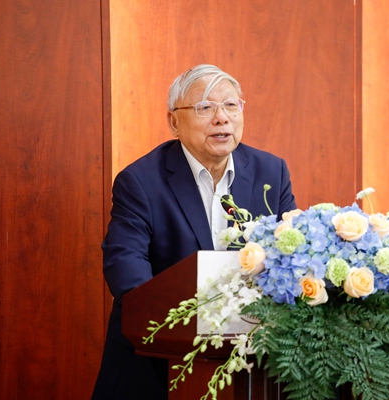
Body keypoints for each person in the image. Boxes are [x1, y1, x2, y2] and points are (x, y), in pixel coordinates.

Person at [92, 64, 297, 399]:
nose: (221, 118)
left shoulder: (270, 172)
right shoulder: (141, 181)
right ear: (174, 122)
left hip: (252, 363)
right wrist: (185, 322)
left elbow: (290, 253)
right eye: (205, 107)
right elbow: (125, 268)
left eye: (231, 105)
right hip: (158, 363)